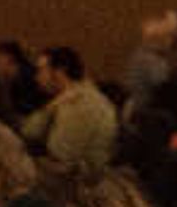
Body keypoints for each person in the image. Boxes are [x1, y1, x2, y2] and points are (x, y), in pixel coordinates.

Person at [23, 47, 117, 176]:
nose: (36, 78)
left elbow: (61, 156)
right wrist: (51, 108)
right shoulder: (66, 99)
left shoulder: (81, 104)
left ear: (60, 71)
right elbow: (29, 131)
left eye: (40, 70)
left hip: (81, 185)